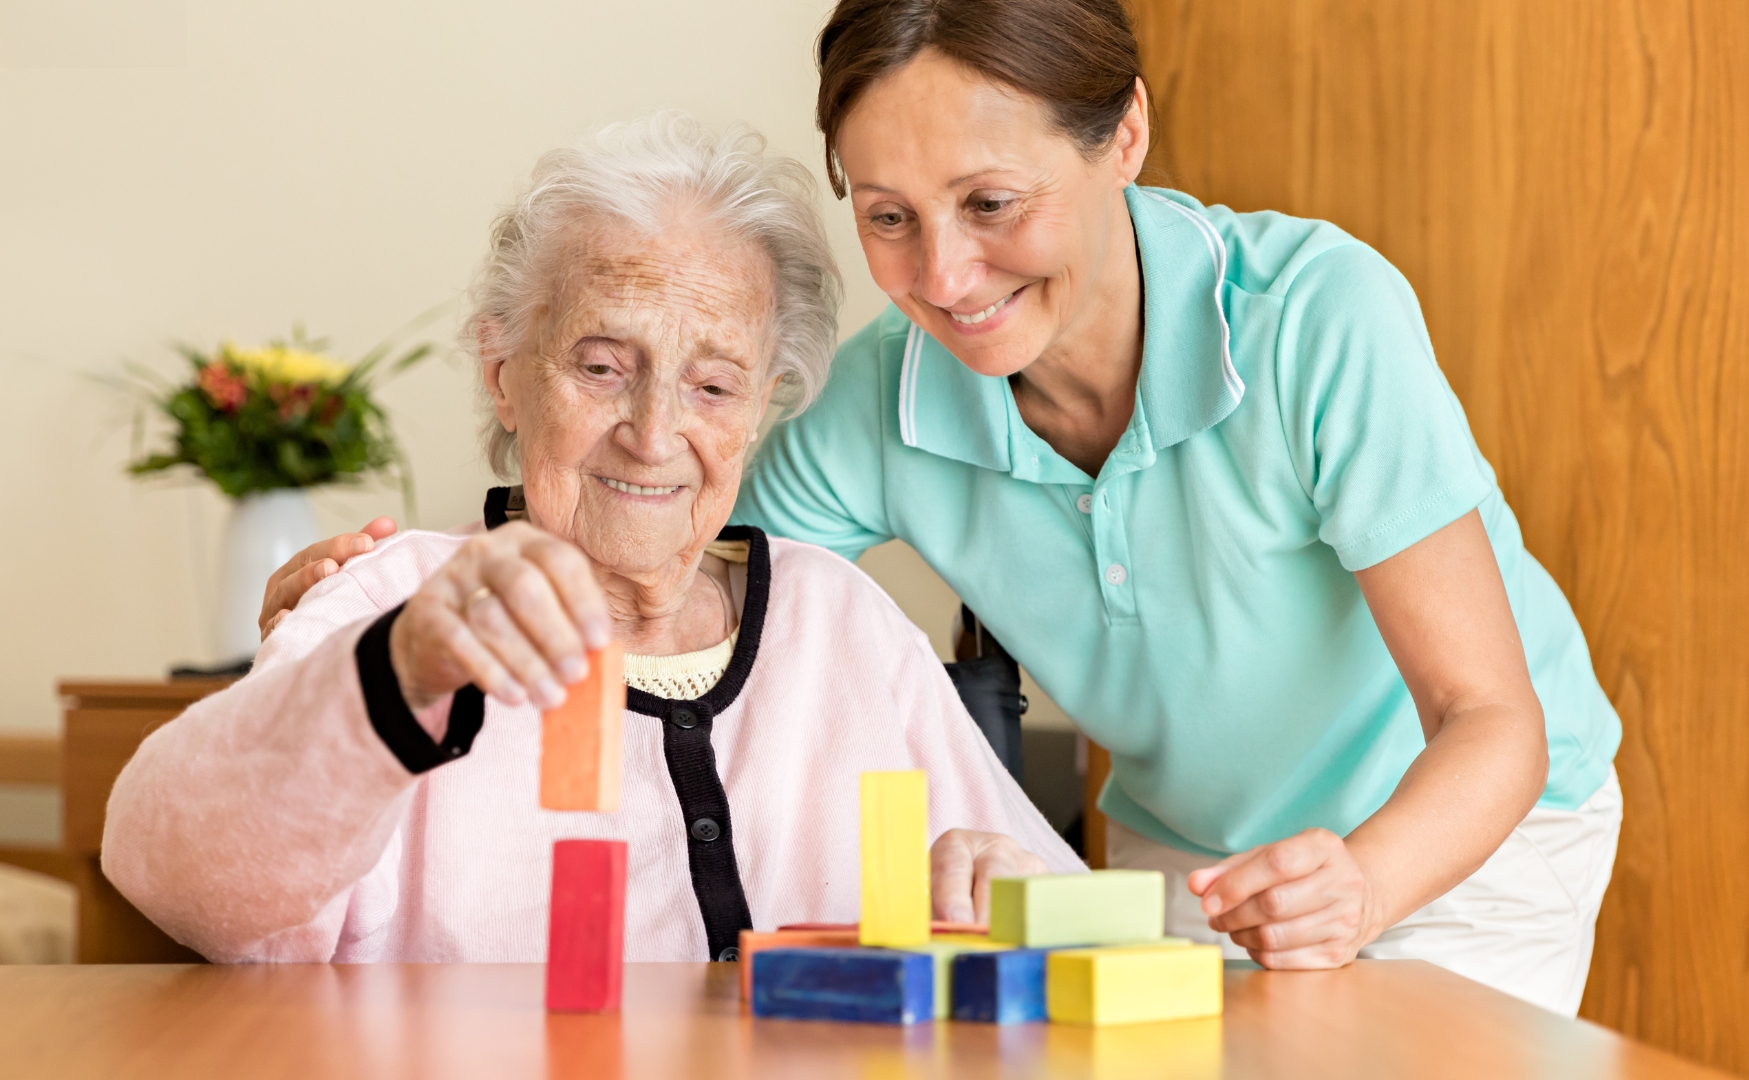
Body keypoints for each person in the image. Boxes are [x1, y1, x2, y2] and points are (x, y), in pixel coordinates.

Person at [268, 0, 1624, 1016]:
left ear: (1125, 136)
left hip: (1462, 836)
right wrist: (394, 594)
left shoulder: (1317, 320)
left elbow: (1490, 721)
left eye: (990, 202)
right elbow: (646, 530)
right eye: (889, 214)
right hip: (1187, 849)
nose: (947, 273)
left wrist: (1368, 888)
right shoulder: (884, 399)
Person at [102, 115, 1078, 966]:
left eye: (713, 386)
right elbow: (172, 874)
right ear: (503, 373)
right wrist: (391, 676)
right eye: (604, 366)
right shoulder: (396, 604)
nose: (654, 435)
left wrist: (1022, 897)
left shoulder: (840, 624)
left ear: (760, 408)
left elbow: (1071, 913)